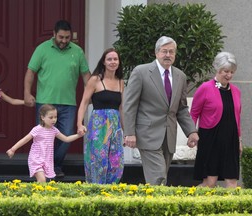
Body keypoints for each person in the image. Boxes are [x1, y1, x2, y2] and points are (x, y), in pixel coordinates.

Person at [123, 36, 199, 185]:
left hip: (169, 136)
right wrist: (129, 133)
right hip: (148, 134)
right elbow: (130, 104)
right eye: (164, 51)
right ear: (156, 53)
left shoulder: (180, 76)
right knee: (158, 177)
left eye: (171, 52)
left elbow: (181, 108)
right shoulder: (141, 72)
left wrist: (191, 131)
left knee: (160, 178)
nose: (168, 55)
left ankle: (150, 204)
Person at [24, 20, 90, 177]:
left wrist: (91, 94)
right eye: (61, 37)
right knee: (42, 137)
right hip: (45, 102)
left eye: (67, 37)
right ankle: (43, 168)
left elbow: (86, 75)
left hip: (68, 103)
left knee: (66, 135)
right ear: (54, 34)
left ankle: (54, 165)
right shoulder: (42, 49)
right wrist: (27, 93)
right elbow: (30, 72)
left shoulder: (78, 51)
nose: (64, 41)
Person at [190, 52, 242, 188]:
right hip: (210, 139)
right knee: (210, 182)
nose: (229, 75)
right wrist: (191, 134)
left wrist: (239, 140)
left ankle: (232, 209)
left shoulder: (236, 91)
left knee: (232, 181)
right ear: (218, 69)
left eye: (232, 72)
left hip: (231, 140)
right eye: (226, 71)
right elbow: (193, 113)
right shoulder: (205, 88)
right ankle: (194, 204)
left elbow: (237, 117)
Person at [77, 48, 124, 184]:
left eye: (115, 59)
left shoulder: (121, 82)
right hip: (99, 126)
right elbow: (84, 103)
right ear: (103, 62)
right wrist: (79, 124)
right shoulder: (95, 80)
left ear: (119, 62)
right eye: (109, 59)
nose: (112, 62)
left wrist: (126, 131)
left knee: (116, 161)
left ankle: (111, 192)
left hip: (115, 127)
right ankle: (96, 190)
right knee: (98, 159)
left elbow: (121, 108)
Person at [6, 104, 85, 182]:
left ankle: (38, 194)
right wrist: (13, 149)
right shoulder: (37, 129)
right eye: (51, 117)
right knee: (42, 179)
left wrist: (78, 135)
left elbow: (66, 139)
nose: (54, 120)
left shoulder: (54, 130)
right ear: (42, 117)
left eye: (55, 117)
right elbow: (25, 139)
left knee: (45, 181)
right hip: (36, 158)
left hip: (47, 159)